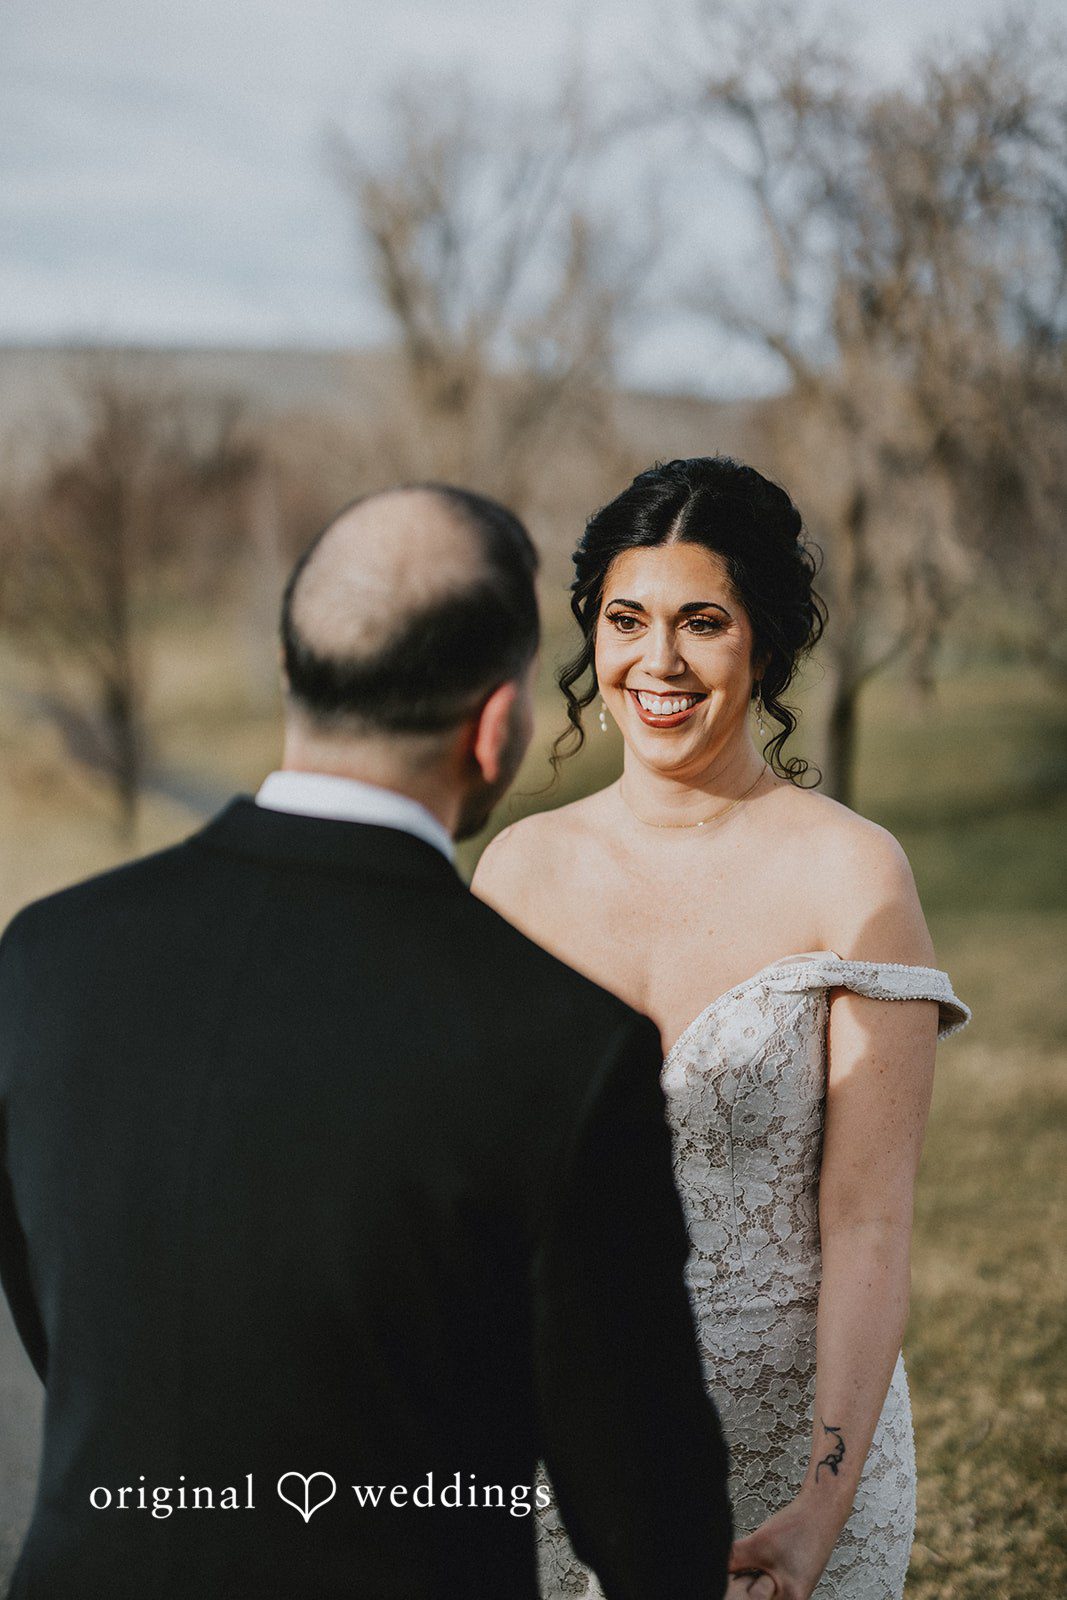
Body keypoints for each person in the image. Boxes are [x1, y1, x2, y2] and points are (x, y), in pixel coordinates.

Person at [0, 485, 733, 1600]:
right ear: (494, 726)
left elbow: (54, 1313)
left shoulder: (42, 959)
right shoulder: (564, 1046)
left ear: (292, 675)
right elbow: (649, 1517)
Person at [473, 457, 971, 1600]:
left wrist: (819, 1502)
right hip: (557, 1463)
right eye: (625, 619)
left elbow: (865, 1222)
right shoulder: (517, 871)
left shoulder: (850, 874)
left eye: (702, 621)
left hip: (786, 1466)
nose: (657, 661)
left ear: (763, 642)